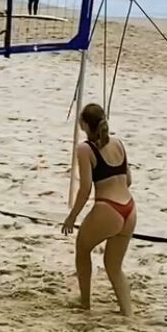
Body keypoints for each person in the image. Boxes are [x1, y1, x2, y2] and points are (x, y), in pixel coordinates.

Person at [62, 103, 136, 316]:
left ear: (84, 124)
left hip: (108, 208)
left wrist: (72, 217)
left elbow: (85, 189)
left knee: (83, 249)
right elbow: (128, 180)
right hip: (130, 209)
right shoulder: (118, 143)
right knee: (114, 266)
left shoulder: (85, 149)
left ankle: (85, 301)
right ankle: (127, 312)